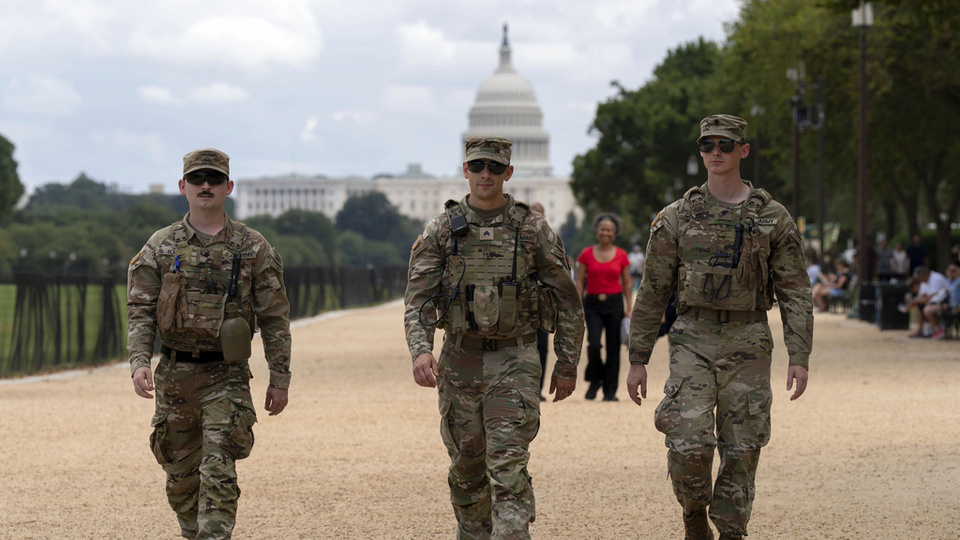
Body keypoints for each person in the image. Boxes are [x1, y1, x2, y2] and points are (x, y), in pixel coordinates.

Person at [626, 114, 813, 540]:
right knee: (688, 442)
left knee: (743, 447)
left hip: (749, 338)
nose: (715, 152)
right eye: (707, 145)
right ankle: (694, 514)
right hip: (692, 337)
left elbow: (796, 292)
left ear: (743, 150)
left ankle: (731, 530)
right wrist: (638, 358)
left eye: (725, 145)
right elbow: (652, 291)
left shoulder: (772, 217)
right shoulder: (677, 217)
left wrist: (799, 355)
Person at [403, 135, 584, 539]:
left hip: (514, 359)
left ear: (509, 172)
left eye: (495, 167)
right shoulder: (442, 230)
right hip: (459, 360)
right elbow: (418, 300)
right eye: (478, 166)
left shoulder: (532, 229)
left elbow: (567, 300)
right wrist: (420, 351)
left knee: (508, 466)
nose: (486, 174)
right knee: (466, 468)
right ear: (465, 170)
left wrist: (567, 362)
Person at [128, 148, 292, 540]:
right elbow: (140, 308)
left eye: (214, 179)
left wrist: (280, 377)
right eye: (197, 179)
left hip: (226, 375)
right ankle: (193, 531)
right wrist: (139, 360)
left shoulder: (253, 247)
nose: (206, 186)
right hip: (175, 375)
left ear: (228, 187)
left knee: (218, 469)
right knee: (181, 479)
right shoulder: (161, 246)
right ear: (182, 186)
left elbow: (274, 316)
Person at [576, 213, 633, 401]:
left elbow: (627, 283)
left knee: (613, 348)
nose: (605, 232)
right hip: (592, 305)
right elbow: (580, 281)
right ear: (597, 231)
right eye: (602, 229)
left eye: (609, 230)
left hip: (614, 304)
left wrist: (629, 308)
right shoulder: (586, 254)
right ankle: (595, 380)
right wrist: (578, 306)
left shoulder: (622, 255)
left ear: (614, 233)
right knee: (593, 344)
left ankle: (610, 391)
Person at [530, 202, 550, 401]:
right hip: (522, 304)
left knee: (542, 348)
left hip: (543, 306)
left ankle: (538, 389)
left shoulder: (551, 239)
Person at [905, 265, 950, 338]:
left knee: (927, 309)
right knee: (916, 306)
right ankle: (922, 330)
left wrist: (920, 300)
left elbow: (933, 296)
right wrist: (913, 301)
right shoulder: (924, 281)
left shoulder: (936, 278)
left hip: (945, 302)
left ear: (924, 275)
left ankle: (938, 329)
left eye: (919, 277)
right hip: (934, 302)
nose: (918, 280)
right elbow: (922, 295)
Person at [923, 263, 960, 339]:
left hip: (955, 307)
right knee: (927, 308)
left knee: (928, 310)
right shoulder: (949, 282)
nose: (950, 273)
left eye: (953, 271)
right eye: (949, 271)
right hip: (948, 305)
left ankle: (940, 329)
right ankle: (938, 329)